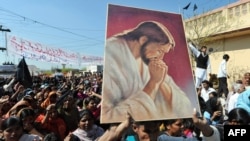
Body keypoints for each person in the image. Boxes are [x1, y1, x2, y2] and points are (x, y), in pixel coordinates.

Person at [101, 21, 193, 123]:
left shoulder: (148, 60)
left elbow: (185, 106)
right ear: (143, 40)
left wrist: (160, 82)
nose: (161, 57)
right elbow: (108, 115)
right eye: (159, 51)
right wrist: (153, 84)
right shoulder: (112, 52)